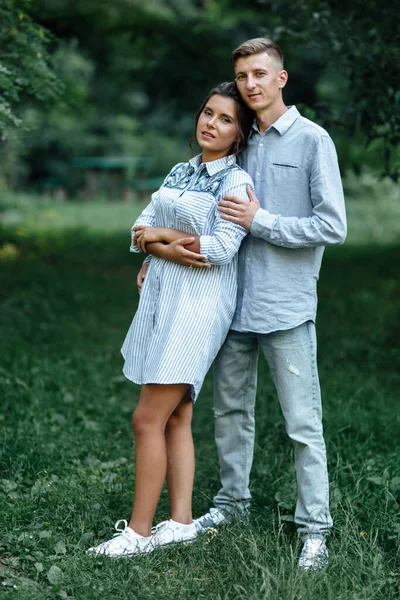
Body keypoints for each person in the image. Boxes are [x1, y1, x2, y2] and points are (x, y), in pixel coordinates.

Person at [192, 39, 347, 571]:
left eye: (260, 74)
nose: (250, 85)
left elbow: (333, 226)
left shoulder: (312, 141)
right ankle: (231, 505)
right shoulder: (238, 140)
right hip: (231, 302)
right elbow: (204, 205)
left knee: (303, 424)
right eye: (241, 77)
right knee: (229, 412)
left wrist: (261, 222)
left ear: (281, 79)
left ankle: (315, 532)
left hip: (286, 306)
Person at [87, 82, 255, 557]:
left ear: (239, 134)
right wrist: (160, 241)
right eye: (208, 112)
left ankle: (138, 534)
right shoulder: (182, 170)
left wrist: (160, 238)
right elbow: (138, 229)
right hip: (164, 297)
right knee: (177, 414)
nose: (211, 123)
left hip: (199, 306)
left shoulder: (234, 182)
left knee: (147, 418)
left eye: (225, 119)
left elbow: (220, 250)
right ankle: (180, 521)